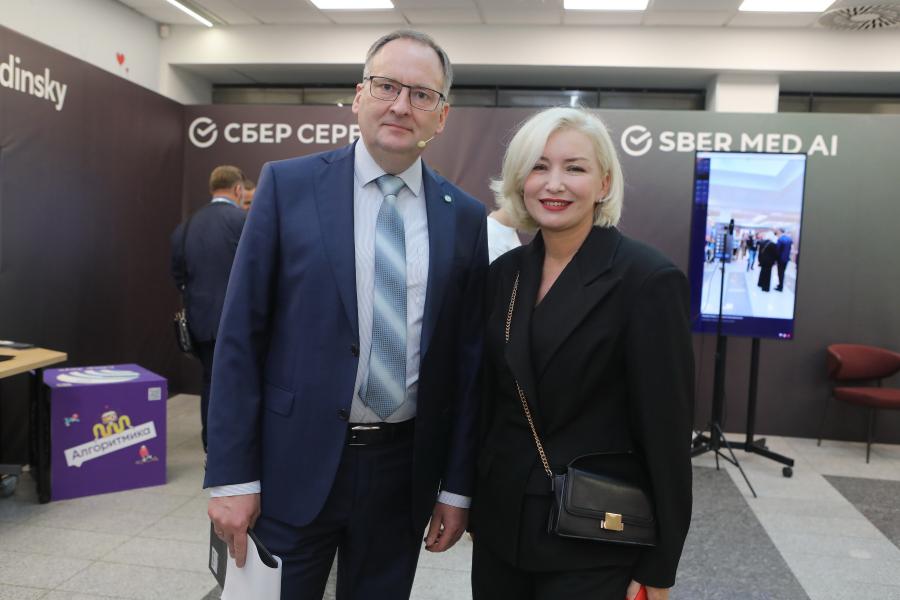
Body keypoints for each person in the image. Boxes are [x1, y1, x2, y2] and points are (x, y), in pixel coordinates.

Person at [205, 30, 488, 600]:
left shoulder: (464, 216)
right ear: (359, 96)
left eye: (422, 94)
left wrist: (456, 489)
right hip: (291, 465)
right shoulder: (288, 185)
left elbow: (468, 365)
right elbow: (240, 336)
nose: (401, 105)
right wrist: (232, 475)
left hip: (402, 473)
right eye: (386, 86)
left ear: (442, 116)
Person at [471, 107, 693, 600]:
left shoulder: (646, 280)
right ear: (520, 180)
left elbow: (668, 433)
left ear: (604, 183)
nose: (554, 184)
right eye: (539, 166)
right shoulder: (505, 274)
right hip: (502, 530)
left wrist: (660, 565)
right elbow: (491, 405)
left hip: (593, 535)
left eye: (574, 168)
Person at [170, 165, 247, 452]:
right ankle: (237, 444)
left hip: (200, 321)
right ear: (238, 189)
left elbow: (178, 276)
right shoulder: (244, 221)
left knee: (210, 381)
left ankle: (212, 444)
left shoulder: (186, 226)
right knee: (241, 382)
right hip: (239, 320)